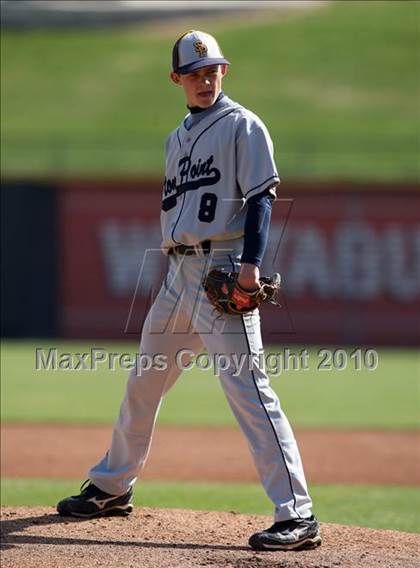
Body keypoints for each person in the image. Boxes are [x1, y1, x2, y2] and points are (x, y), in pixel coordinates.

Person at [57, 30, 321, 552]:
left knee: (248, 392)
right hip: (178, 274)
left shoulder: (242, 124)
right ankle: (112, 485)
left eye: (213, 70)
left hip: (223, 268)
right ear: (176, 79)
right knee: (144, 380)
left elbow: (262, 197)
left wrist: (250, 268)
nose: (205, 79)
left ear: (225, 72)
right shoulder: (176, 137)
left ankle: (299, 515)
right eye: (195, 72)